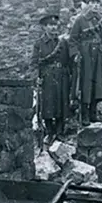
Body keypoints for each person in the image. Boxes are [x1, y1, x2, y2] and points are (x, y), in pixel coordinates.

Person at [69, 0, 102, 126]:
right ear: (87, 4)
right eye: (92, 3)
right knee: (85, 84)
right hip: (85, 56)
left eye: (97, 3)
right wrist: (76, 54)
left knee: (98, 85)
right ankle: (84, 113)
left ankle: (93, 113)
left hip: (99, 56)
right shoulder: (80, 20)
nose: (95, 5)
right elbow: (73, 40)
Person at [30, 14, 72, 143]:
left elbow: (68, 60)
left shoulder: (63, 42)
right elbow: (34, 63)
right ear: (44, 27)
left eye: (55, 25)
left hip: (61, 76)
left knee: (61, 102)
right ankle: (50, 131)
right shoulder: (39, 44)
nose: (54, 28)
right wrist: (36, 77)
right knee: (48, 104)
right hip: (47, 76)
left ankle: (60, 131)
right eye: (50, 25)